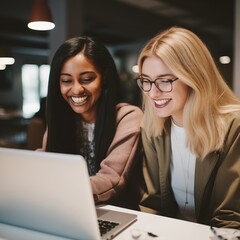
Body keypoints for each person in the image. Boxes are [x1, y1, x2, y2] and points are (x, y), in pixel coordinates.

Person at [136, 26, 240, 228]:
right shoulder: (152, 128)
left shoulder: (233, 126)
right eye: (146, 81)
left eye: (164, 81)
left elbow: (230, 218)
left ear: (193, 77)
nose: (153, 93)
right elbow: (152, 204)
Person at [39, 36, 143, 209]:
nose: (77, 89)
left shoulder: (128, 117)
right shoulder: (61, 119)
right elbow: (45, 160)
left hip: (116, 213)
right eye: (66, 81)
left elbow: (111, 178)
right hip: (67, 208)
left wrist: (61, 190)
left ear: (104, 78)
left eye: (87, 79)